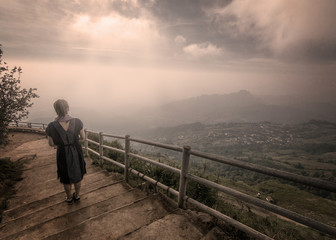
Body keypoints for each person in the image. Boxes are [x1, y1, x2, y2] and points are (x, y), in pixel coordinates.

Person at [46, 99, 86, 205]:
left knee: (65, 175)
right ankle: (77, 196)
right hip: (76, 151)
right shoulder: (77, 121)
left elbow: (50, 143)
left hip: (62, 152)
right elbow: (83, 137)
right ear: (67, 108)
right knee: (77, 174)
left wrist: (58, 145)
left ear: (56, 110)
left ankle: (69, 198)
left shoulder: (52, 126)